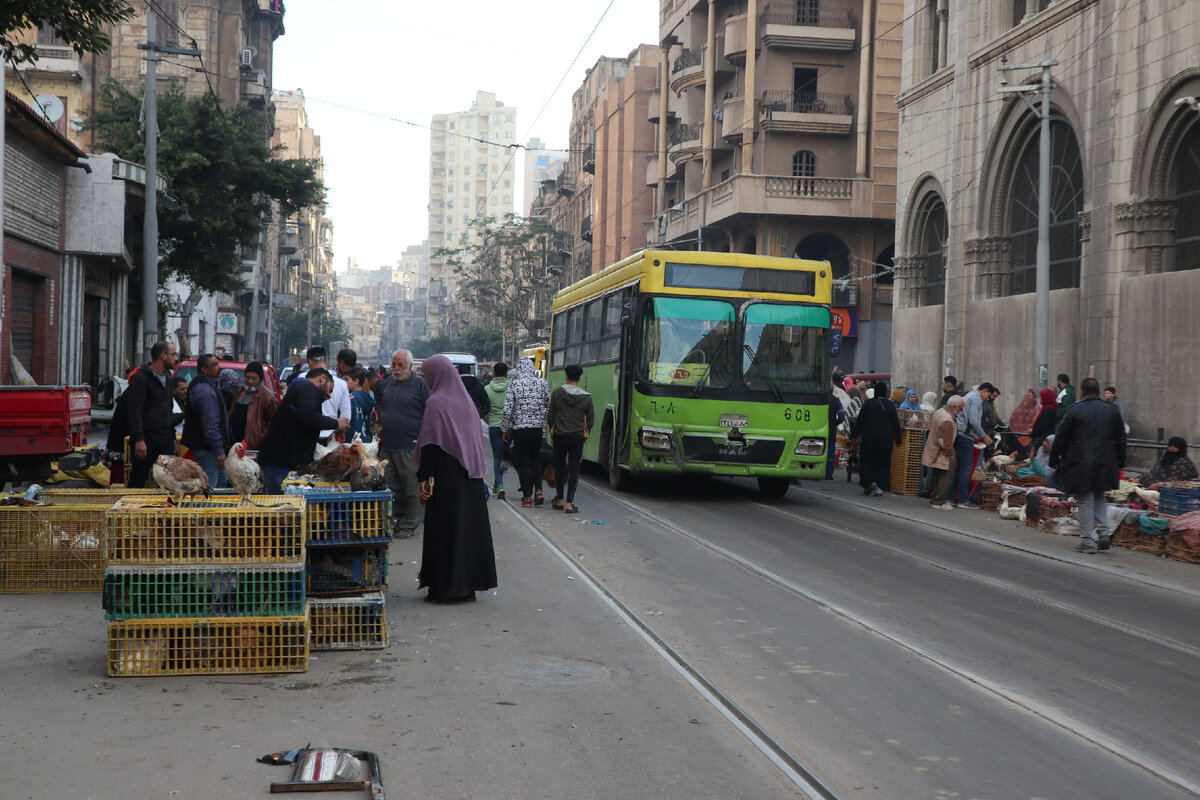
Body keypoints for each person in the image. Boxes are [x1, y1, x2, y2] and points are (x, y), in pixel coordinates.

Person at [414, 355, 498, 604]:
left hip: (446, 476)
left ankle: (446, 588)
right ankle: (467, 587)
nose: (425, 377)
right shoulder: (466, 402)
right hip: (470, 477)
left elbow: (430, 444)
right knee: (467, 531)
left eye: (426, 373)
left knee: (445, 530)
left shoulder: (436, 402)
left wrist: (423, 477)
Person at [1050, 378, 1127, 554]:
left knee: (1085, 499)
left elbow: (1061, 437)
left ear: (1082, 392)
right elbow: (1121, 439)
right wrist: (1121, 462)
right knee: (1099, 495)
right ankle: (1104, 533)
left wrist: (1054, 459)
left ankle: (1087, 541)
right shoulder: (1112, 410)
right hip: (1106, 461)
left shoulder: (1075, 411)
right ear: (1099, 392)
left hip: (1081, 461)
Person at [257, 368, 348, 494]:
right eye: (330, 389)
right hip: (279, 465)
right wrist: (337, 423)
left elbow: (305, 419)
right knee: (277, 507)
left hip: (283, 463)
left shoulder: (301, 389)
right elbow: (309, 417)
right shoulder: (307, 387)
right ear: (322, 378)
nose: (329, 394)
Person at [107, 341, 179, 488]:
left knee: (166, 480)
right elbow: (135, 410)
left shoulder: (168, 379)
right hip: (146, 439)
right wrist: (139, 439)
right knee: (139, 477)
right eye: (173, 354)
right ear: (163, 356)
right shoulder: (142, 378)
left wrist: (171, 436)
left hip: (164, 438)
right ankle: (131, 508)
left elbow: (168, 410)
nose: (176, 358)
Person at [376, 349, 430, 538]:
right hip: (389, 445)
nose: (396, 368)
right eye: (394, 364)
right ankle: (396, 518)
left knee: (412, 488)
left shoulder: (420, 384)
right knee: (390, 486)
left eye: (401, 365)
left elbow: (429, 413)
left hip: (411, 446)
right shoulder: (389, 382)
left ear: (410, 366)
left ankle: (409, 524)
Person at [501, 356, 551, 508]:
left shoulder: (514, 385)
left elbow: (507, 410)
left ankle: (527, 497)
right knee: (535, 459)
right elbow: (548, 402)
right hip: (536, 429)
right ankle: (540, 491)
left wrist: (504, 429)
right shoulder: (542, 383)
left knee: (523, 462)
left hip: (520, 430)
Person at [547, 364, 594, 514]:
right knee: (574, 470)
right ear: (579, 378)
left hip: (559, 437)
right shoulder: (587, 397)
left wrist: (553, 430)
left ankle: (559, 499)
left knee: (559, 468)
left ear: (566, 377)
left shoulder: (557, 393)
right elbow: (591, 420)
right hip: (577, 439)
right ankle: (569, 504)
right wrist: (584, 431)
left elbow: (550, 416)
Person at [181, 353, 233, 488]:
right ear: (204, 369)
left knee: (220, 485)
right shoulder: (204, 390)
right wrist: (218, 450)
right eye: (215, 365)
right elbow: (210, 424)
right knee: (210, 488)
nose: (219, 367)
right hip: (207, 448)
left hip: (209, 448)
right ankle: (207, 509)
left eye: (218, 363)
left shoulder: (209, 386)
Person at [851, 380, 902, 496]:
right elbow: (895, 423)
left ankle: (869, 482)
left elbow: (860, 421)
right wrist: (898, 439)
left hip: (869, 438)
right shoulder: (890, 405)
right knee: (882, 462)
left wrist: (853, 435)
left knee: (868, 460)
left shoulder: (868, 404)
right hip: (885, 439)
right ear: (885, 392)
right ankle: (879, 487)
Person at [951, 382, 994, 508]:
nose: (987, 398)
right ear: (984, 391)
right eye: (988, 395)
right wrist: (984, 435)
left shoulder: (969, 395)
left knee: (958, 468)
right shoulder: (976, 399)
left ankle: (953, 496)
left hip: (959, 432)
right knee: (966, 468)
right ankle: (963, 500)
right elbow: (974, 420)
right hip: (966, 435)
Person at [922, 395, 963, 510]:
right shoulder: (948, 419)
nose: (960, 412)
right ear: (955, 407)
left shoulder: (940, 412)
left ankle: (936, 499)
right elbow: (944, 442)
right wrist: (951, 453)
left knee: (938, 477)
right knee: (946, 478)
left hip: (935, 450)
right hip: (942, 453)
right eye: (960, 409)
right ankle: (939, 501)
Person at [226, 361, 277, 449]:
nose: (250, 381)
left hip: (251, 447)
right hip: (233, 443)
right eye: (247, 377)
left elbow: (274, 424)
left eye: (254, 378)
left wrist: (260, 437)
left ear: (260, 379)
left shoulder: (268, 398)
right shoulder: (240, 392)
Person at [483, 362, 511, 498]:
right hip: (509, 427)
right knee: (504, 455)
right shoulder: (512, 387)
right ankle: (498, 484)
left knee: (497, 456)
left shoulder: (487, 389)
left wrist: (490, 421)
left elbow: (485, 410)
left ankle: (498, 485)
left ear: (493, 373)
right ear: (506, 373)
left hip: (494, 426)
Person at [345, 366, 375, 443]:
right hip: (366, 440)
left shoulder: (350, 398)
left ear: (356, 381)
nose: (344, 383)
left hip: (352, 442)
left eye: (346, 380)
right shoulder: (368, 397)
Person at [1030, 388, 1058, 453]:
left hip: (1043, 439)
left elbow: (1042, 426)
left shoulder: (1048, 410)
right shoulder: (1046, 408)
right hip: (1041, 438)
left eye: (1041, 397)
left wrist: (1033, 432)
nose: (1039, 398)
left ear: (1046, 397)